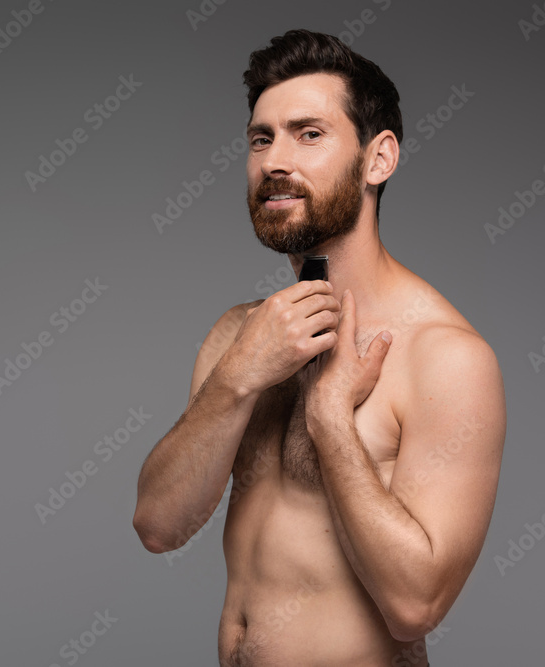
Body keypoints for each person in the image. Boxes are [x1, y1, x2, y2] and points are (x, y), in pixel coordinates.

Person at [132, 29, 506, 666]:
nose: (276, 159)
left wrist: (331, 420)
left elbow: (415, 605)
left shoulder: (445, 357)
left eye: (309, 134)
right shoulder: (239, 334)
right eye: (261, 138)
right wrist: (238, 376)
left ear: (377, 159)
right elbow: (158, 526)